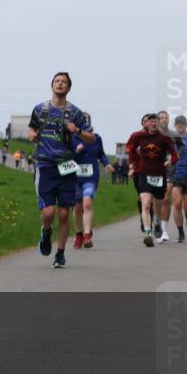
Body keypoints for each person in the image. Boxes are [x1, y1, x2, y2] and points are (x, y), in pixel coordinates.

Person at [28, 72, 94, 269]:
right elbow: (31, 129)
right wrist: (33, 135)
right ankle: (46, 231)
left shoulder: (75, 113)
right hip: (45, 165)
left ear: (68, 88)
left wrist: (78, 131)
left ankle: (60, 254)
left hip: (66, 167)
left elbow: (91, 138)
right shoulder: (39, 109)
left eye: (64, 82)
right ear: (52, 85)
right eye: (57, 81)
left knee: (64, 214)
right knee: (49, 212)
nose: (60, 84)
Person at [126, 113, 179, 247]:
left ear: (158, 124)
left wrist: (170, 162)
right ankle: (148, 234)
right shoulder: (139, 136)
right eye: (151, 122)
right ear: (147, 124)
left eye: (155, 121)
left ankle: (157, 221)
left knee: (158, 203)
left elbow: (174, 155)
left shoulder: (164, 139)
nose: (153, 124)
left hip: (160, 175)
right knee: (146, 204)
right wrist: (132, 165)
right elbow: (131, 150)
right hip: (144, 173)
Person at [71, 114, 113, 250]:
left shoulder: (96, 138)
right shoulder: (72, 137)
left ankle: (87, 235)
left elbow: (101, 154)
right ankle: (79, 234)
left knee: (87, 203)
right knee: (77, 208)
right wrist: (76, 152)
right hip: (75, 177)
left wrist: (106, 163)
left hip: (91, 176)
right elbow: (64, 156)